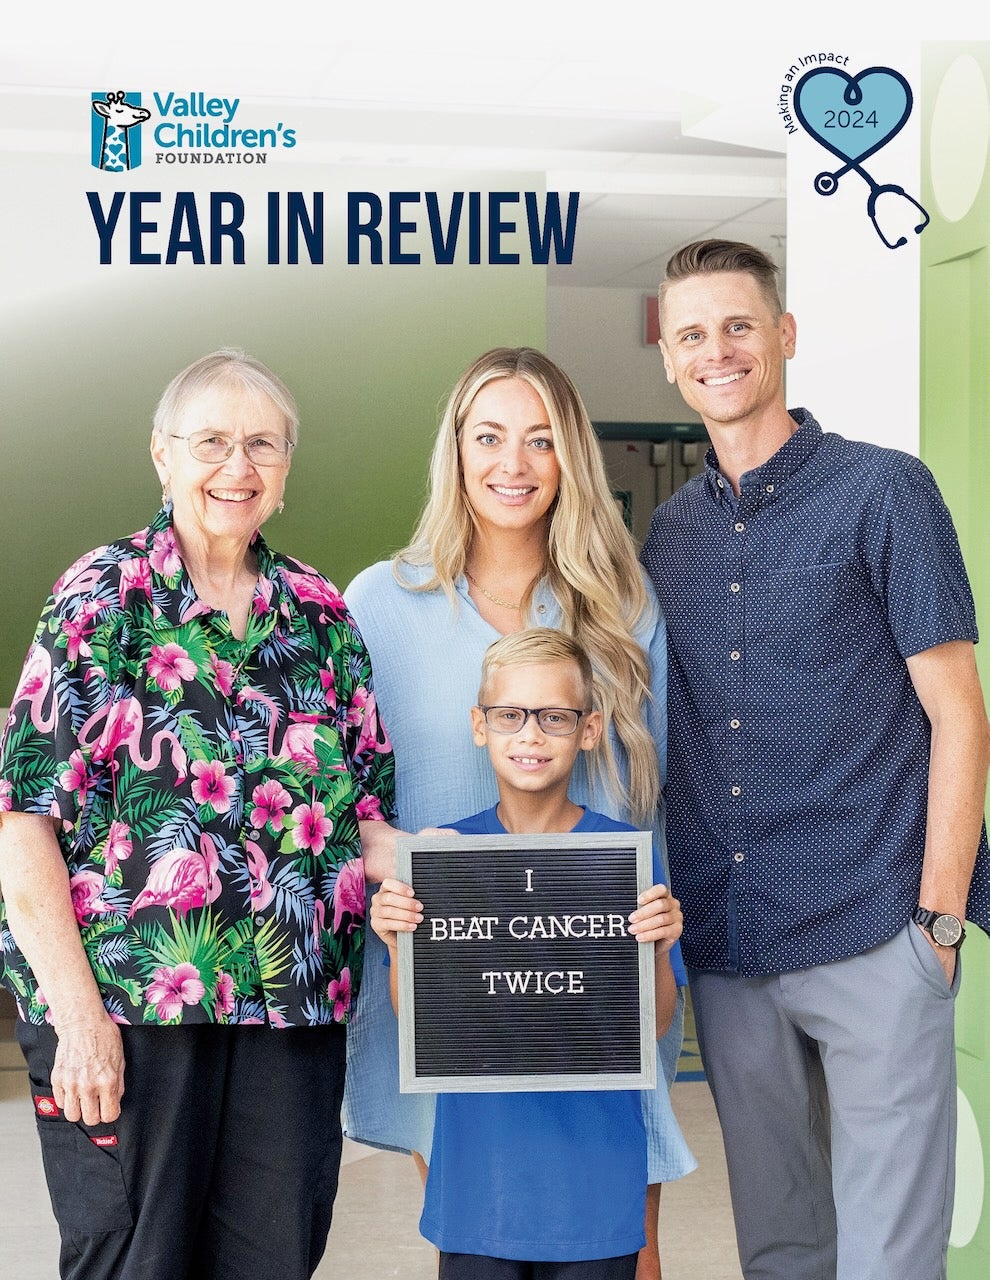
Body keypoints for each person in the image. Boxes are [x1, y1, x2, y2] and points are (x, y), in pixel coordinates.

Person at [0, 349, 395, 1280]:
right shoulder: (102, 597)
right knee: (136, 1258)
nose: (238, 467)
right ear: (162, 457)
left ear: (287, 470)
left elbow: (369, 819)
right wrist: (80, 1021)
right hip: (129, 1013)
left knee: (276, 1254)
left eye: (262, 444)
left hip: (292, 1018)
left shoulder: (322, 618)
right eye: (211, 441)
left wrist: (507, 874)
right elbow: (24, 821)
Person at [640, 239, 990, 1280]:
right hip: (735, 944)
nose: (719, 351)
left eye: (740, 325)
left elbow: (960, 713)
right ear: (668, 357)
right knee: (783, 1248)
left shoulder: (886, 492)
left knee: (889, 1256)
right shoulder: (665, 536)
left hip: (877, 924)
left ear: (784, 336)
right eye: (693, 333)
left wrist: (937, 915)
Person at [342, 346, 695, 1279]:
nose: (514, 463)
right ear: (454, 452)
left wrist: (658, 945)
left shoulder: (621, 605)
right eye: (489, 436)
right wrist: (392, 862)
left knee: (629, 1245)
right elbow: (335, 795)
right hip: (450, 989)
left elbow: (645, 799)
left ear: (570, 457)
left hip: (599, 979)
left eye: (541, 440)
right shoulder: (380, 604)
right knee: (481, 1236)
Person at [371, 628, 685, 1280]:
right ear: (479, 727)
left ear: (590, 729)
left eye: (555, 717)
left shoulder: (622, 859)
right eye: (510, 715)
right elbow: (421, 1023)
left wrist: (657, 949)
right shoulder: (444, 858)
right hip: (478, 1182)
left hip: (595, 1178)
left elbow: (652, 1025)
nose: (531, 735)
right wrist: (400, 940)